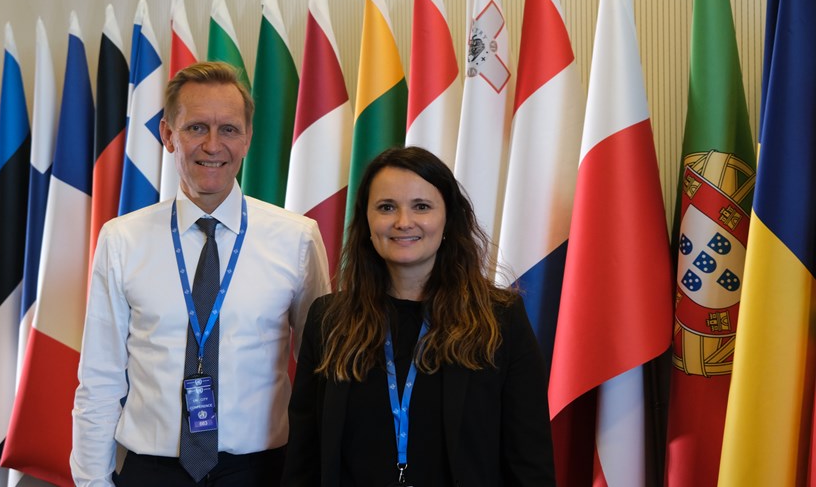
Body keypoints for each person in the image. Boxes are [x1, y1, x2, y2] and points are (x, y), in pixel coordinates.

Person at [72, 61, 331, 487]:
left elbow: (319, 375)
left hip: (260, 473)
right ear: (168, 135)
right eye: (195, 128)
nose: (213, 145)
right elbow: (99, 380)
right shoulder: (122, 240)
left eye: (228, 129)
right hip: (152, 473)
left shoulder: (298, 240)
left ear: (247, 138)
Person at [283, 146, 555, 486]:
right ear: (366, 221)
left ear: (448, 220)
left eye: (421, 207)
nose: (403, 222)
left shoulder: (499, 319)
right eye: (386, 207)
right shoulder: (328, 321)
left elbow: (529, 459)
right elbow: (303, 459)